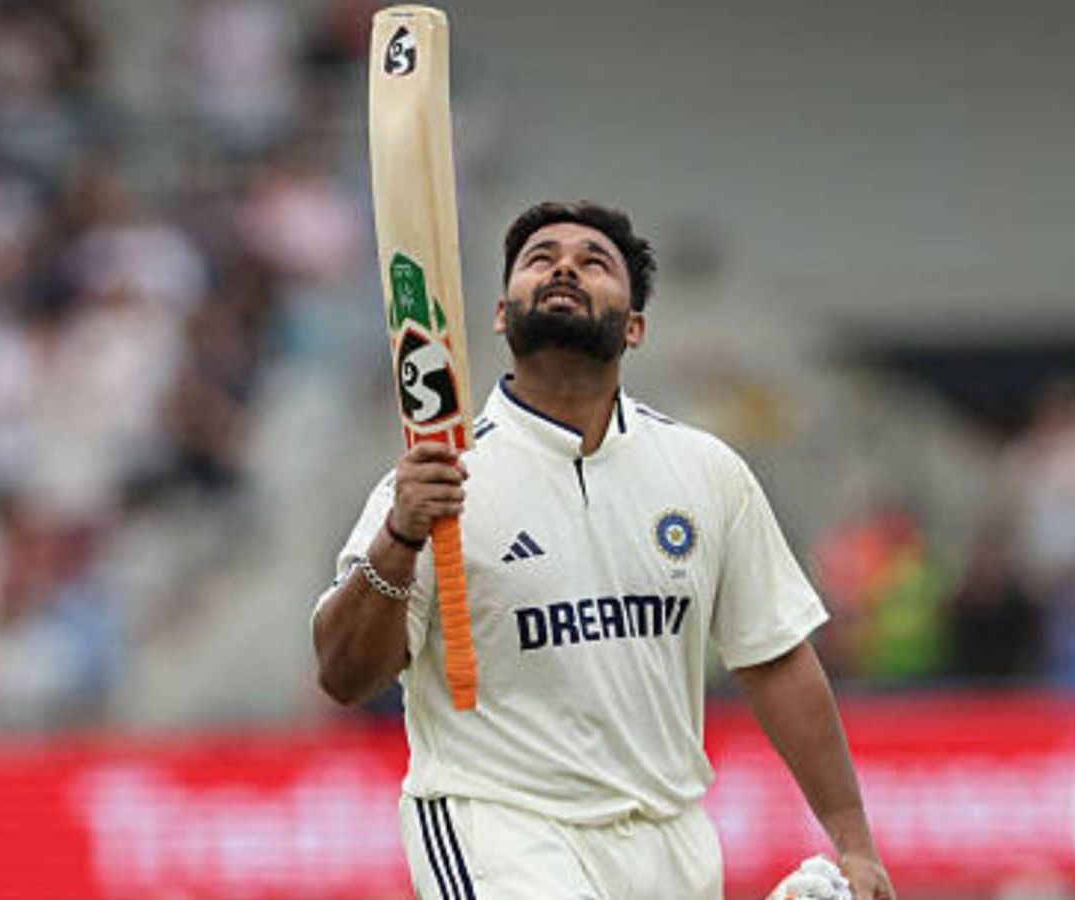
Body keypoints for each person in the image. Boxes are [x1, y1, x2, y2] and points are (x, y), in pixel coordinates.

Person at [312, 201, 893, 899]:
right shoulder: (439, 478)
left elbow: (775, 658)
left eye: (594, 263)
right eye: (540, 259)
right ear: (502, 315)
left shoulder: (705, 471)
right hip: (498, 825)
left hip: (668, 837)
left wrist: (855, 844)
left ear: (636, 327)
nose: (563, 267)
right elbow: (343, 674)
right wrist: (402, 537)